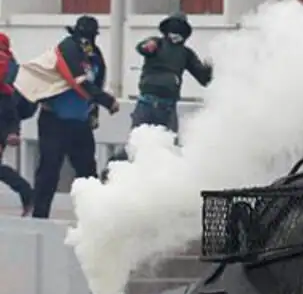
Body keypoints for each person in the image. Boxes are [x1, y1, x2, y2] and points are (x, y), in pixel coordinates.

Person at [12, 16, 119, 218]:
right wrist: (107, 101)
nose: (87, 42)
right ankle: (40, 215)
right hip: (54, 121)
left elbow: (96, 83)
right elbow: (78, 81)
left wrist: (94, 113)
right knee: (49, 170)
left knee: (87, 172)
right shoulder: (66, 49)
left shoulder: (95, 56)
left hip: (80, 122)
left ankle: (93, 217)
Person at [103, 12, 212, 176]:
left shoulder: (186, 54)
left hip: (168, 107)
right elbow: (142, 47)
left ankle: (156, 185)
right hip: (147, 104)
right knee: (136, 147)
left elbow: (203, 78)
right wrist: (148, 46)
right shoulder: (157, 44)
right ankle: (114, 169)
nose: (176, 34)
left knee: (167, 149)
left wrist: (211, 66)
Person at [0, 32, 33, 216]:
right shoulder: (13, 65)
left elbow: (11, 106)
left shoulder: (8, 67)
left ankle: (27, 193)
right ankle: (27, 193)